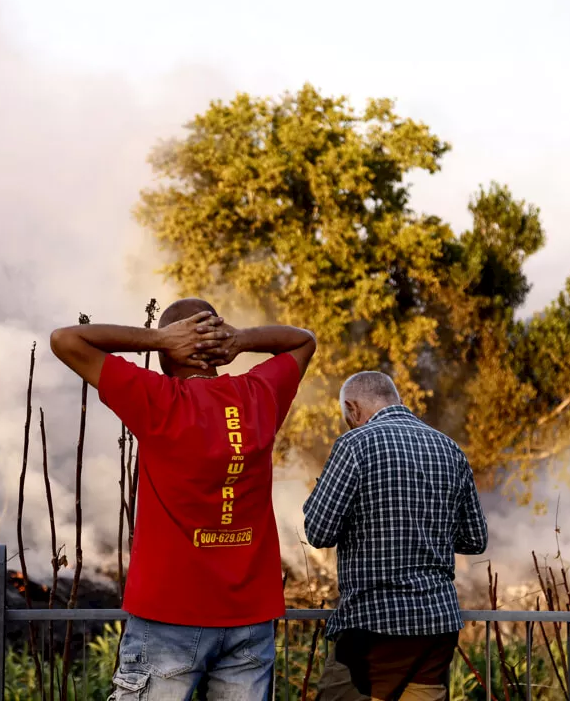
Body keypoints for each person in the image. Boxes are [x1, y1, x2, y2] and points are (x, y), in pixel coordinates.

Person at [49, 299, 316, 700]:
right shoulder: (259, 395)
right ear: (218, 352)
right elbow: (303, 342)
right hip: (250, 615)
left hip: (169, 614)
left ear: (165, 355)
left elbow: (65, 339)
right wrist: (240, 340)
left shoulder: (156, 398)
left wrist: (157, 338)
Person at [304, 371, 488, 701]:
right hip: (435, 626)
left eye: (347, 418)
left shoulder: (354, 445)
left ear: (352, 408)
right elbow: (475, 540)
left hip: (372, 628)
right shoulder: (449, 448)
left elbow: (319, 532)